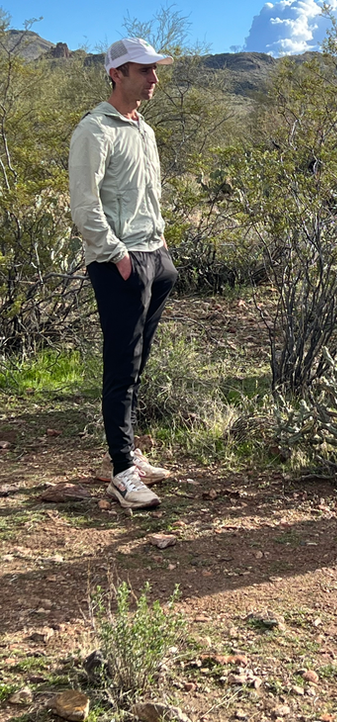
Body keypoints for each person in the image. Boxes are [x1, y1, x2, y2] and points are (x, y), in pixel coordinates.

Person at [69, 38, 178, 510]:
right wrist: (117, 255)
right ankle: (121, 472)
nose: (154, 80)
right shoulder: (94, 130)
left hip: (155, 256)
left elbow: (146, 195)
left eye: (155, 71)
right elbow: (84, 206)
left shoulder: (144, 130)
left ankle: (131, 453)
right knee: (121, 365)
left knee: (138, 362)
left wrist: (162, 245)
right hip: (122, 262)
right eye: (144, 71)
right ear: (117, 73)